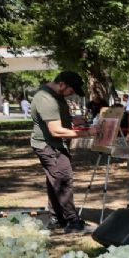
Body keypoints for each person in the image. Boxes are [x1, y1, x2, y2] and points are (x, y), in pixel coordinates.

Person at [29, 71, 97, 233]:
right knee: (63, 181)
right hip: (49, 146)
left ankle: (56, 218)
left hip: (53, 145)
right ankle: (73, 222)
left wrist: (72, 119)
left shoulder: (55, 95)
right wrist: (88, 132)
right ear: (62, 84)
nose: (71, 95)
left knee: (55, 182)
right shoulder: (46, 98)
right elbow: (56, 131)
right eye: (71, 91)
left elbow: (56, 118)